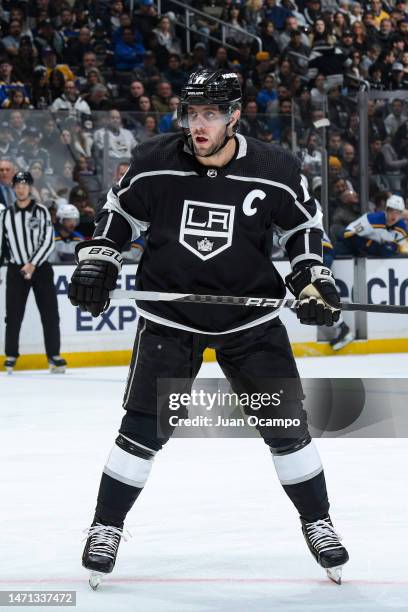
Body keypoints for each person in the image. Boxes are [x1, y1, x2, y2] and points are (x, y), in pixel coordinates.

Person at [68, 69, 349, 589]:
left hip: (251, 322)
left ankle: (319, 522)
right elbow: (119, 215)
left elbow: (302, 229)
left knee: (288, 431)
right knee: (143, 431)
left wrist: (313, 278)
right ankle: (105, 526)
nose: (198, 126)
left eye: (210, 115)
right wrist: (99, 261)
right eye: (192, 114)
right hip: (170, 321)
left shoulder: (276, 168)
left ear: (234, 116)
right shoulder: (153, 161)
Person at [0, 171, 67, 373]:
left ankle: (54, 356)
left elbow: (47, 241)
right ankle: (11, 355)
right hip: (15, 270)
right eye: (17, 185)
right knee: (13, 315)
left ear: (30, 187)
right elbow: (2, 245)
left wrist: (32, 264)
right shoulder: (5, 215)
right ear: (13, 188)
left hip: (41, 270)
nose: (21, 188)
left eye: (24, 184)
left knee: (50, 314)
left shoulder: (41, 211)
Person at [335, 194, 408, 257]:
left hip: (376, 259)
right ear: (386, 210)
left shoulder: (402, 227)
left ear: (401, 213)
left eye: (398, 212)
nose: (394, 216)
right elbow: (346, 234)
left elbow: (402, 247)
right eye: (391, 211)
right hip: (349, 250)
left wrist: (393, 247)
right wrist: (369, 245)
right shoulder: (371, 219)